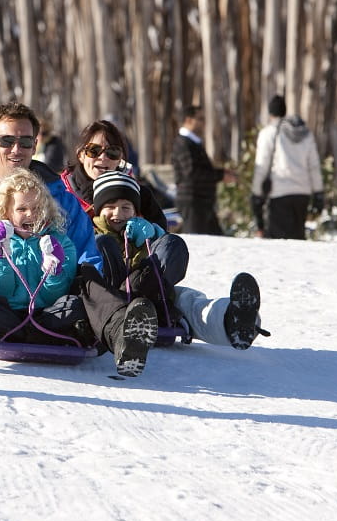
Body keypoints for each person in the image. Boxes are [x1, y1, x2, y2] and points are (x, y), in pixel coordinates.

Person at [0, 102, 160, 377]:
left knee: (89, 279)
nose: (16, 149)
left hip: (52, 307)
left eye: (25, 141)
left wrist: (81, 279)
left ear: (35, 144)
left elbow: (87, 256)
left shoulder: (60, 201)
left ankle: (123, 337)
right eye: (7, 141)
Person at [61, 119, 268, 350]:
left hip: (142, 280)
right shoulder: (61, 194)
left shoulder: (137, 192)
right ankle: (134, 312)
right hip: (92, 284)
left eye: (112, 152)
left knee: (182, 295)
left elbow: (161, 245)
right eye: (94, 150)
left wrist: (152, 232)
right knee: (104, 247)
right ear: (80, 154)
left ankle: (231, 319)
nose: (103, 158)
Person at [0, 168, 89, 347]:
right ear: (5, 212)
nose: (30, 214)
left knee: (75, 304)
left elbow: (53, 298)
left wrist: (54, 271)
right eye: (21, 209)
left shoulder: (60, 242)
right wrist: (0, 256)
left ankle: (40, 335)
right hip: (6, 314)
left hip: (45, 316)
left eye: (37, 208)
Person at [90, 169, 189, 318]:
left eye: (125, 207)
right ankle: (126, 307)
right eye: (110, 207)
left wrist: (155, 235)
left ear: (135, 212)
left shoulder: (146, 234)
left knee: (173, 243)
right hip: (107, 303)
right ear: (98, 210)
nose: (118, 213)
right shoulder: (91, 233)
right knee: (103, 243)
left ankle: (146, 306)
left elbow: (167, 257)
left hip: (147, 297)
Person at [250, 94, 324, 240]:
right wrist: (318, 193)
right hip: (302, 193)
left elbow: (262, 167)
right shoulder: (305, 133)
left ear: (270, 114)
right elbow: (314, 166)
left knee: (280, 243)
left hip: (279, 193)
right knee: (297, 238)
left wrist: (256, 194)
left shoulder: (268, 133)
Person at [172, 105, 229, 235]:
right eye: (200, 118)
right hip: (193, 203)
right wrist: (220, 175)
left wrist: (222, 173)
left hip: (202, 203)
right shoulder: (183, 143)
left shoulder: (192, 142)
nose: (203, 123)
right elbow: (192, 173)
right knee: (197, 244)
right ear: (189, 120)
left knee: (217, 242)